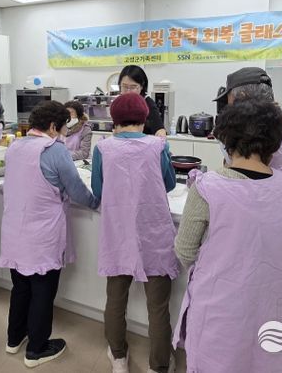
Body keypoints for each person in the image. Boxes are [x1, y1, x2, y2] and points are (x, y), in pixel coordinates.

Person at [173, 100, 282, 373]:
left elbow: (185, 250)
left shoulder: (207, 187)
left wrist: (218, 268)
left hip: (220, 306)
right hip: (272, 302)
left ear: (226, 139)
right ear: (275, 143)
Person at [0, 100, 99, 368]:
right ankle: (37, 349)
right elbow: (76, 189)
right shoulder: (54, 150)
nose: (66, 131)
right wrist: (95, 202)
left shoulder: (15, 146)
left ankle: (14, 338)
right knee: (42, 291)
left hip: (15, 230)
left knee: (21, 287)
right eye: (65, 126)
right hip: (41, 235)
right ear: (53, 127)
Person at [91, 92, 178, 373]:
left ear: (114, 120)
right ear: (144, 118)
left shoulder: (103, 148)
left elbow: (98, 189)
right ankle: (159, 365)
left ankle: (118, 358)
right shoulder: (158, 145)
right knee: (158, 306)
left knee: (116, 299)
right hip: (154, 233)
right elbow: (169, 184)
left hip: (118, 234)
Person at [209, 67, 282, 286]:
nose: (229, 105)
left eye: (229, 99)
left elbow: (237, 180)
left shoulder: (260, 140)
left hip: (260, 242)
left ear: (242, 96)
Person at [117, 65, 166, 137]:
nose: (128, 91)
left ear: (142, 87)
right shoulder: (118, 103)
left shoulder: (147, 103)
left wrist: (160, 134)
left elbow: (160, 130)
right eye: (125, 86)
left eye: (133, 87)